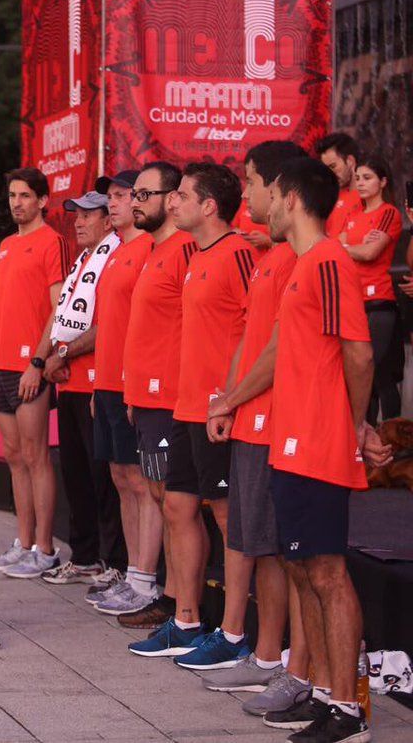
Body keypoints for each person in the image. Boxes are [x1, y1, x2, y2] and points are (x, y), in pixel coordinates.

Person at [259, 156, 391, 742]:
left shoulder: (331, 259)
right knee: (302, 566)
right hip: (290, 439)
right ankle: (320, 691)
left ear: (290, 199)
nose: (258, 202)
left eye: (265, 191)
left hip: (317, 438)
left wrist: (356, 425)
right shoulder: (303, 264)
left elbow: (359, 353)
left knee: (328, 571)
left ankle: (349, 709)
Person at [201, 141, 314, 717]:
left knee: (280, 551)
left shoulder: (299, 258)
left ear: (279, 189)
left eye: (250, 183)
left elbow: (277, 351)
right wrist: (226, 400)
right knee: (257, 544)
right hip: (249, 418)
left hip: (277, 423)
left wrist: (234, 399)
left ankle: (290, 664)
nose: (244, 193)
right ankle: (268, 656)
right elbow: (247, 340)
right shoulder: (271, 256)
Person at [128, 163, 254, 660]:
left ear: (209, 206)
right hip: (184, 405)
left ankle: (234, 633)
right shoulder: (197, 255)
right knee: (178, 507)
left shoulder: (238, 252)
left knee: (228, 519)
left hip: (217, 409)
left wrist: (230, 396)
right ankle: (186, 619)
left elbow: (257, 327)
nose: (172, 202)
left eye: (181, 195)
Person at [104, 162, 194, 628]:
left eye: (145, 193)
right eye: (132, 194)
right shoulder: (153, 251)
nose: (135, 201)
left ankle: (180, 607)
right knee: (161, 499)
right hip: (145, 397)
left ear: (174, 198)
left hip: (172, 399)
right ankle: (172, 602)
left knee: (173, 504)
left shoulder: (185, 249)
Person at [40, 190, 127, 585]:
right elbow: (64, 318)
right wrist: (55, 355)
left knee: (105, 479)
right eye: (76, 214)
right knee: (76, 475)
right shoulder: (83, 259)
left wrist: (63, 354)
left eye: (88, 215)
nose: (77, 221)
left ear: (108, 221)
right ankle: (86, 555)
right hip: (71, 380)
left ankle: (116, 563)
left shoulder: (115, 256)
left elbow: (106, 324)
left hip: (97, 380)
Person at [0, 167, 67, 579]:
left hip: (28, 368)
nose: (17, 202)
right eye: (12, 195)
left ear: (42, 201)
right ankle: (23, 542)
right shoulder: (4, 245)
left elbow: (59, 308)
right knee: (14, 458)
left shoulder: (52, 242)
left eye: (24, 196)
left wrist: (37, 361)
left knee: (36, 458)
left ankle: (46, 548)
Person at [85, 169, 160, 611]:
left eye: (119, 195)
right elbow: (108, 326)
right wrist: (100, 383)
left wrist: (132, 383)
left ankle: (146, 578)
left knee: (141, 480)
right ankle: (133, 573)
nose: (111, 203)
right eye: (108, 196)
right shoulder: (116, 250)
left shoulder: (150, 248)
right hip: (109, 382)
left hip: (135, 384)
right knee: (120, 477)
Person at [340, 154, 402, 424]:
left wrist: (349, 248)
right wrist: (354, 248)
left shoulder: (388, 212)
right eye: (358, 178)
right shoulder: (353, 215)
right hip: (354, 301)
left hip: (379, 303)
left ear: (383, 181)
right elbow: (336, 248)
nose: (361, 183)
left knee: (375, 370)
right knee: (359, 371)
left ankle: (396, 441)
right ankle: (366, 439)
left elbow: (370, 253)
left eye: (368, 178)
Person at [314, 133, 363, 238]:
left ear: (350, 161)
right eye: (326, 169)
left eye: (333, 166)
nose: (330, 173)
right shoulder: (327, 198)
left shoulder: (369, 197)